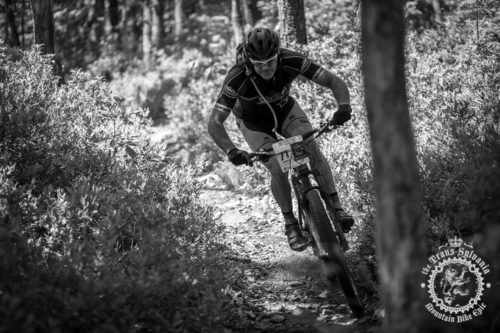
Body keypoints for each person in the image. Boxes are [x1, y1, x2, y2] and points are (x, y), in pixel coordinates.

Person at [208, 27, 354, 252]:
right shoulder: (237, 76)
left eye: (270, 61)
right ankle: (290, 224)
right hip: (253, 123)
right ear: (248, 61)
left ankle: (336, 206)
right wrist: (231, 150)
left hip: (286, 111)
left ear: (278, 55)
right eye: (258, 64)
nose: (265, 68)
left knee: (310, 148)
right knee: (277, 166)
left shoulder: (290, 59)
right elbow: (215, 122)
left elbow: (333, 81)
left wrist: (343, 107)